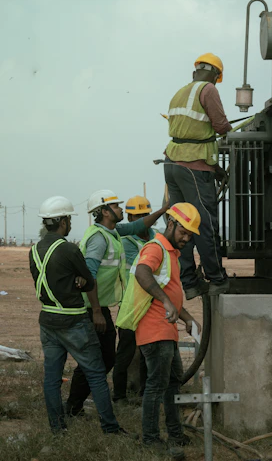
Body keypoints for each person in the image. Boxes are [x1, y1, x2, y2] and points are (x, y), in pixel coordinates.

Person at [28, 196, 127, 435]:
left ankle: (57, 428)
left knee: (52, 378)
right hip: (73, 319)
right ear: (62, 222)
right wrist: (83, 288)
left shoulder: (34, 250)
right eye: (69, 219)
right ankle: (110, 428)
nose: (70, 223)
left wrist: (77, 281)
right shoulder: (68, 249)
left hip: (48, 319)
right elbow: (89, 280)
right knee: (96, 373)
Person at [66, 189, 167, 417]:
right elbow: (89, 277)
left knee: (103, 358)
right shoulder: (99, 239)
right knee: (99, 358)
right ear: (104, 211)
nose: (121, 209)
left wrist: (163, 210)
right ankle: (75, 405)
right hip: (92, 308)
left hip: (100, 306)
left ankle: (75, 404)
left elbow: (138, 225)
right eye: (117, 206)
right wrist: (96, 312)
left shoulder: (113, 231)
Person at [134, 202, 202, 459]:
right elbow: (142, 273)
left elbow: (169, 294)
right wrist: (164, 302)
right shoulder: (156, 247)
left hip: (167, 330)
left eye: (190, 235)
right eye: (183, 232)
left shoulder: (171, 251)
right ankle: (150, 438)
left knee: (172, 384)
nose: (186, 238)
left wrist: (186, 317)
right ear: (171, 224)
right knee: (156, 385)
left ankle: (175, 432)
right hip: (155, 331)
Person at [164, 53, 232, 300]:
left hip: (172, 163)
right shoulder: (209, 90)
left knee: (180, 224)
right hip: (193, 167)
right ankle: (216, 279)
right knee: (205, 224)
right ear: (215, 75)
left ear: (195, 71)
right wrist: (229, 131)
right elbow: (221, 126)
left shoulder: (180, 92)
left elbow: (190, 130)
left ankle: (190, 282)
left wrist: (215, 169)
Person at [112, 195, 167, 404]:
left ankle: (146, 393)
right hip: (131, 303)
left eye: (146, 214)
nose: (144, 219)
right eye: (138, 216)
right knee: (125, 351)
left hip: (151, 303)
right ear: (131, 217)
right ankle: (119, 396)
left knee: (148, 350)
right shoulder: (126, 241)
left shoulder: (156, 238)